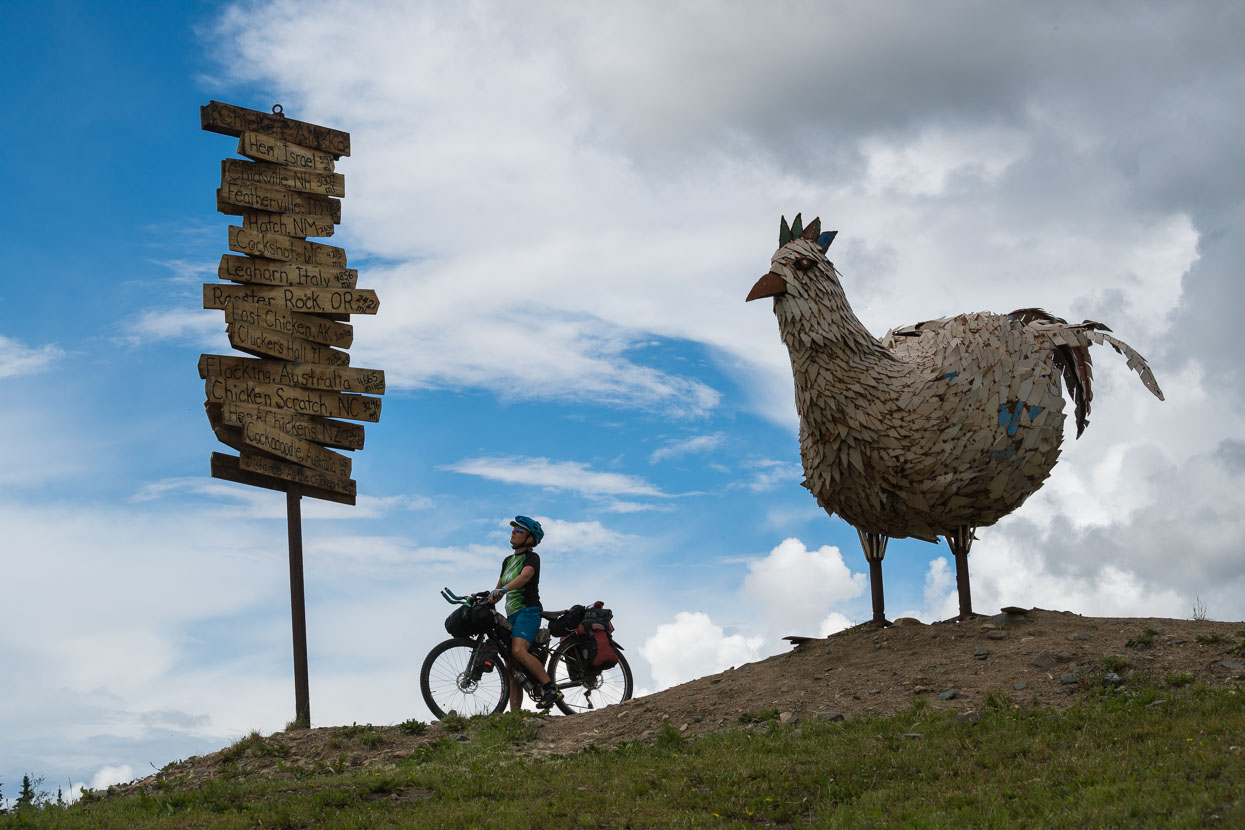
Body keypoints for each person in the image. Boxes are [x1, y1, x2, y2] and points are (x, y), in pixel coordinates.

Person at [491, 515, 562, 711]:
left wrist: (504, 590)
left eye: (520, 530)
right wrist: (485, 598)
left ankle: (550, 689)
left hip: (528, 611)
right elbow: (498, 590)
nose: (514, 532)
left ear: (530, 538)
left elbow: (524, 578)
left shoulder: (532, 558)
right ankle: (515, 716)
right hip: (512, 615)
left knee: (518, 651)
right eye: (514, 529)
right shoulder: (507, 561)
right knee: (511, 667)